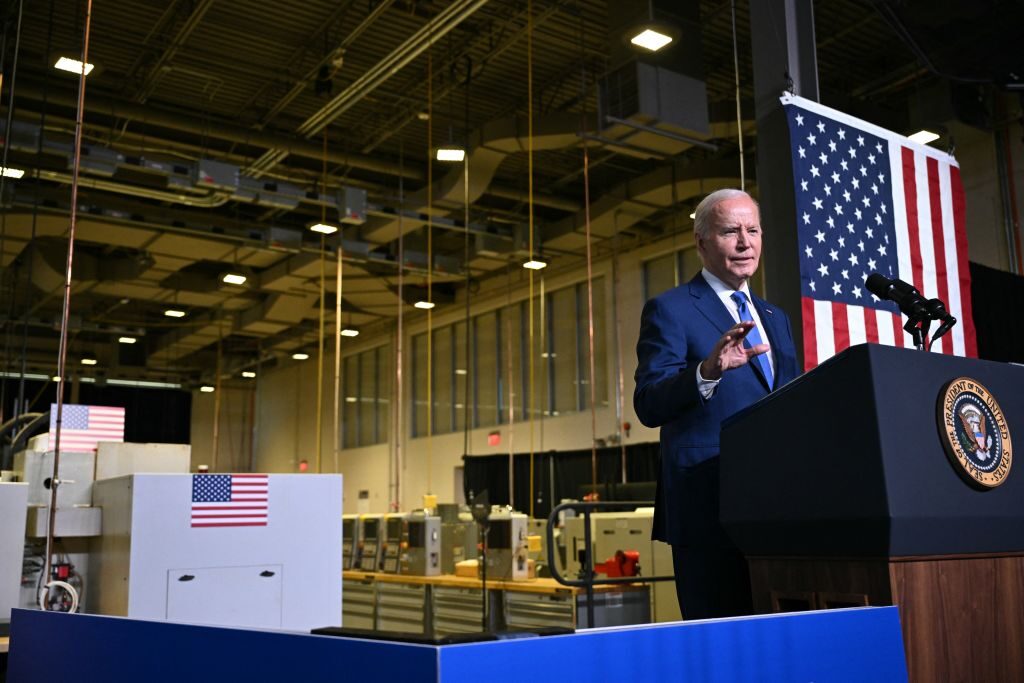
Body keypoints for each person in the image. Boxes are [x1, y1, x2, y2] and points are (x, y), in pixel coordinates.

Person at [633, 188, 799, 619]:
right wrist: (707, 371)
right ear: (701, 241)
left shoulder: (774, 316)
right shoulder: (670, 309)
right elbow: (648, 403)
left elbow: (790, 400)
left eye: (753, 230)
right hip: (708, 509)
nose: (745, 242)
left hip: (777, 507)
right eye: (730, 231)